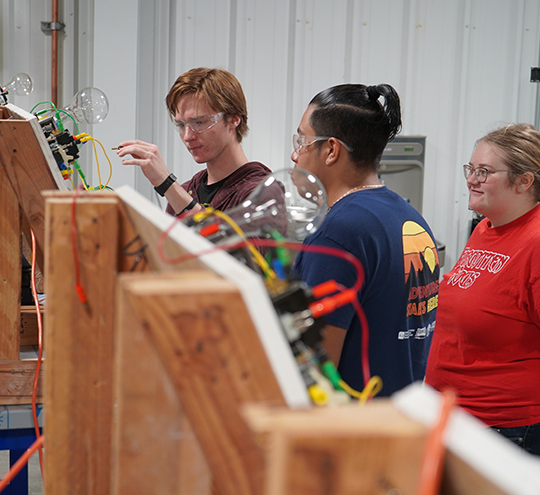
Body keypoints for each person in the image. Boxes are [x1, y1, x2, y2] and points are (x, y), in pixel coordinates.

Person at [426, 123, 540, 466]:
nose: (472, 179)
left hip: (515, 432)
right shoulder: (486, 227)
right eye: (471, 169)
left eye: (484, 171)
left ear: (524, 181)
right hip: (461, 420)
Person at [291, 83, 440, 399]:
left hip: (352, 432)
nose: (294, 154)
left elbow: (317, 371)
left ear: (331, 150)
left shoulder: (337, 233)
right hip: (400, 421)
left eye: (302, 140)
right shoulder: (411, 218)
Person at [116, 68, 278, 216]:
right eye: (180, 125)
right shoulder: (186, 191)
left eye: (199, 122)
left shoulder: (264, 192)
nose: (187, 136)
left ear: (233, 119)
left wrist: (168, 185)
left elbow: (235, 248)